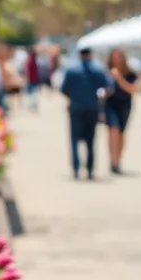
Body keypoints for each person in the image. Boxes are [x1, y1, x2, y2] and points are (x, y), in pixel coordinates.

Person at [60, 47, 112, 180]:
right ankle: (89, 168)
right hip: (92, 108)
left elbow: (64, 89)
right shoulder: (98, 69)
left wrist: (73, 97)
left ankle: (76, 168)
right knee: (91, 140)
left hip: (76, 107)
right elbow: (106, 88)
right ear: (90, 55)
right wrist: (98, 99)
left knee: (74, 139)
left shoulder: (72, 70)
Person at [105, 49, 138, 175]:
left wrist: (119, 78)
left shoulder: (130, 74)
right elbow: (101, 88)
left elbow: (132, 89)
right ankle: (113, 161)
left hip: (124, 105)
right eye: (114, 57)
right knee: (113, 130)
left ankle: (118, 160)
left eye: (119, 57)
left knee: (121, 133)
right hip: (110, 104)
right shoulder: (106, 72)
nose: (116, 59)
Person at [24, 46, 41, 112]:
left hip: (33, 79)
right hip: (32, 79)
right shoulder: (31, 60)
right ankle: (33, 105)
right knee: (32, 93)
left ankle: (33, 105)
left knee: (32, 93)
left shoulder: (31, 60)